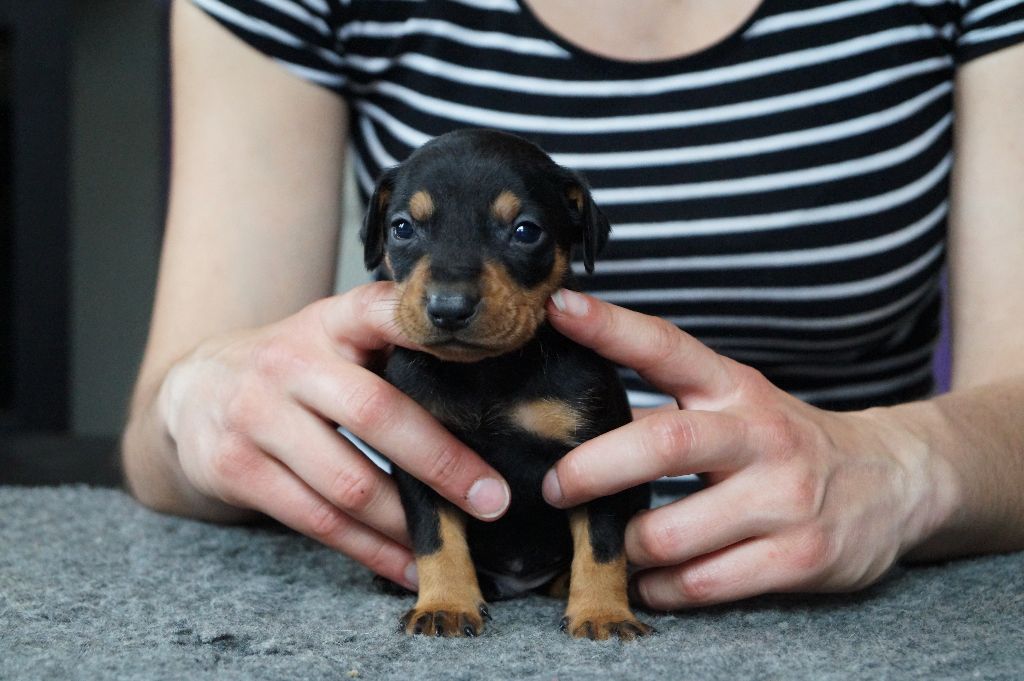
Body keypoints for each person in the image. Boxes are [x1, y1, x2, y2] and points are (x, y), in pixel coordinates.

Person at [122, 0, 1024, 609]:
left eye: (521, 235)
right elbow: (159, 443)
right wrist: (196, 399)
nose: (451, 287)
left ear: (575, 239)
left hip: (865, 581)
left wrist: (909, 468)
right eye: (407, 233)